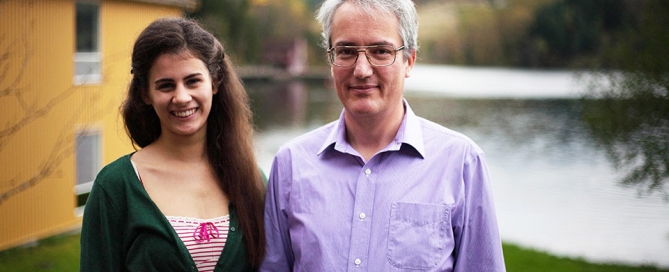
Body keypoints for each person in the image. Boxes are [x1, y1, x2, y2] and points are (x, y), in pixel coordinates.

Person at [260, 0, 505, 271]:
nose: (362, 70)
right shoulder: (291, 164)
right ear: (331, 59)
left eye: (380, 51)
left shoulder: (461, 162)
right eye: (346, 51)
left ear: (408, 61)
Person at [80, 18, 266, 271]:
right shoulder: (115, 187)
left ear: (215, 82)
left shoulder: (251, 179)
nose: (181, 97)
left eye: (192, 81)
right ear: (145, 94)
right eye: (166, 85)